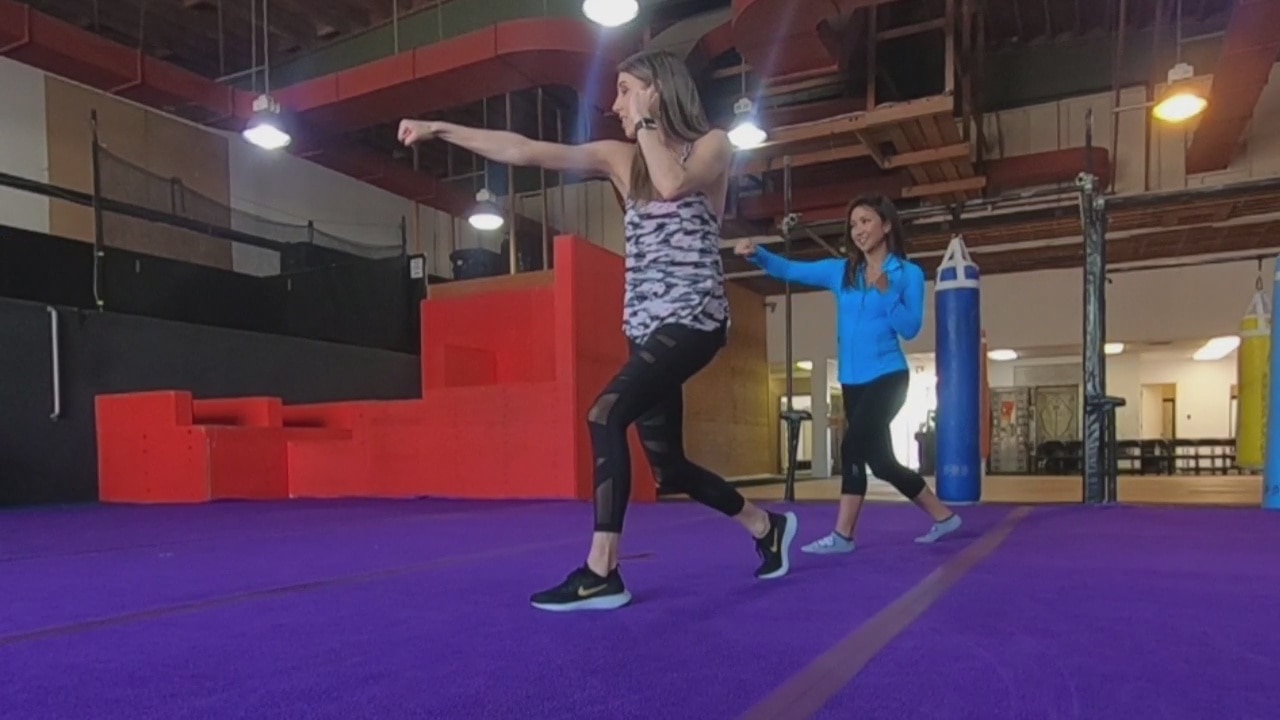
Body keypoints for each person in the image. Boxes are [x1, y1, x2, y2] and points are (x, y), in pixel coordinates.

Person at [398, 48, 797, 612]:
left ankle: (601, 571)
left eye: (626, 89)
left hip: (695, 318)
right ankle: (766, 528)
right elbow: (525, 149)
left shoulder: (711, 145)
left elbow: (671, 184)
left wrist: (649, 121)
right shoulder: (619, 157)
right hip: (645, 325)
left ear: (657, 90)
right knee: (668, 466)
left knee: (604, 413)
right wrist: (441, 129)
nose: (615, 104)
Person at [734, 195, 962, 554]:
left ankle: (842, 536)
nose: (858, 230)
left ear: (886, 225)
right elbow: (791, 270)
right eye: (853, 224)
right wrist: (757, 254)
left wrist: (886, 291)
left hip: (888, 376)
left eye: (866, 221)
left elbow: (910, 328)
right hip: (852, 381)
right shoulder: (844, 272)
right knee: (882, 463)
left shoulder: (908, 274)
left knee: (852, 445)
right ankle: (944, 517)